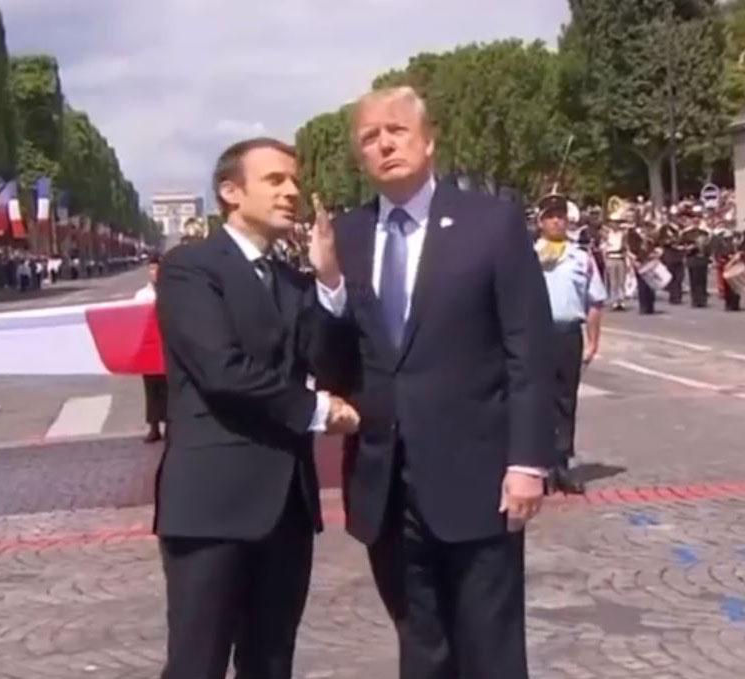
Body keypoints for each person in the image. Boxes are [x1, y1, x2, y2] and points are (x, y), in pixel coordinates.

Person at [310, 87, 555, 679]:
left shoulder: (490, 223)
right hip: (386, 485)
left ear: (428, 139)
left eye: (396, 129)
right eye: (369, 137)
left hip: (479, 475)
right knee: (420, 646)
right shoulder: (345, 236)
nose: (385, 143)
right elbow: (335, 366)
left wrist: (528, 460)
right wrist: (329, 287)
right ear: (359, 156)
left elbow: (529, 348)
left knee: (490, 648)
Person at [154, 137, 360, 679]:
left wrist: (331, 280)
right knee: (196, 665)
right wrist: (318, 413)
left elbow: (336, 366)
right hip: (211, 506)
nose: (292, 191)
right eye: (275, 180)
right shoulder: (189, 269)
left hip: (286, 508)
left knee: (272, 664)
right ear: (230, 192)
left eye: (294, 180)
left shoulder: (295, 281)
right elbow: (221, 371)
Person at [534, 192, 606, 495]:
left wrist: (593, 342)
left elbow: (595, 302)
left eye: (561, 216)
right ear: (540, 221)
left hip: (567, 334)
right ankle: (540, 466)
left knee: (566, 401)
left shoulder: (581, 257)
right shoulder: (528, 254)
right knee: (537, 400)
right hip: (536, 335)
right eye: (550, 216)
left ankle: (562, 463)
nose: (556, 221)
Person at [134, 254, 168, 443]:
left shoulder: (173, 292)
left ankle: (171, 425)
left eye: (158, 268)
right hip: (148, 347)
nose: (155, 272)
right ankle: (154, 426)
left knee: (170, 387)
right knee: (151, 388)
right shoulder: (142, 295)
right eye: (152, 269)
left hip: (167, 345)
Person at [681, 219, 712, 308]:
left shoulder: (704, 233)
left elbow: (708, 246)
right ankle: (695, 300)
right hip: (692, 259)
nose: (695, 224)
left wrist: (707, 255)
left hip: (702, 259)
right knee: (694, 280)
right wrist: (689, 248)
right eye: (693, 223)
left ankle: (703, 300)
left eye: (697, 223)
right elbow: (682, 245)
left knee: (703, 280)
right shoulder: (686, 234)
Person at [656, 220, 686, 304]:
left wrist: (683, 247)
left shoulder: (682, 231)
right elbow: (660, 241)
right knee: (672, 277)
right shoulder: (664, 229)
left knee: (680, 277)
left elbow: (684, 241)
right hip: (670, 256)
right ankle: (673, 297)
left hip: (679, 256)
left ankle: (678, 296)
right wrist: (670, 243)